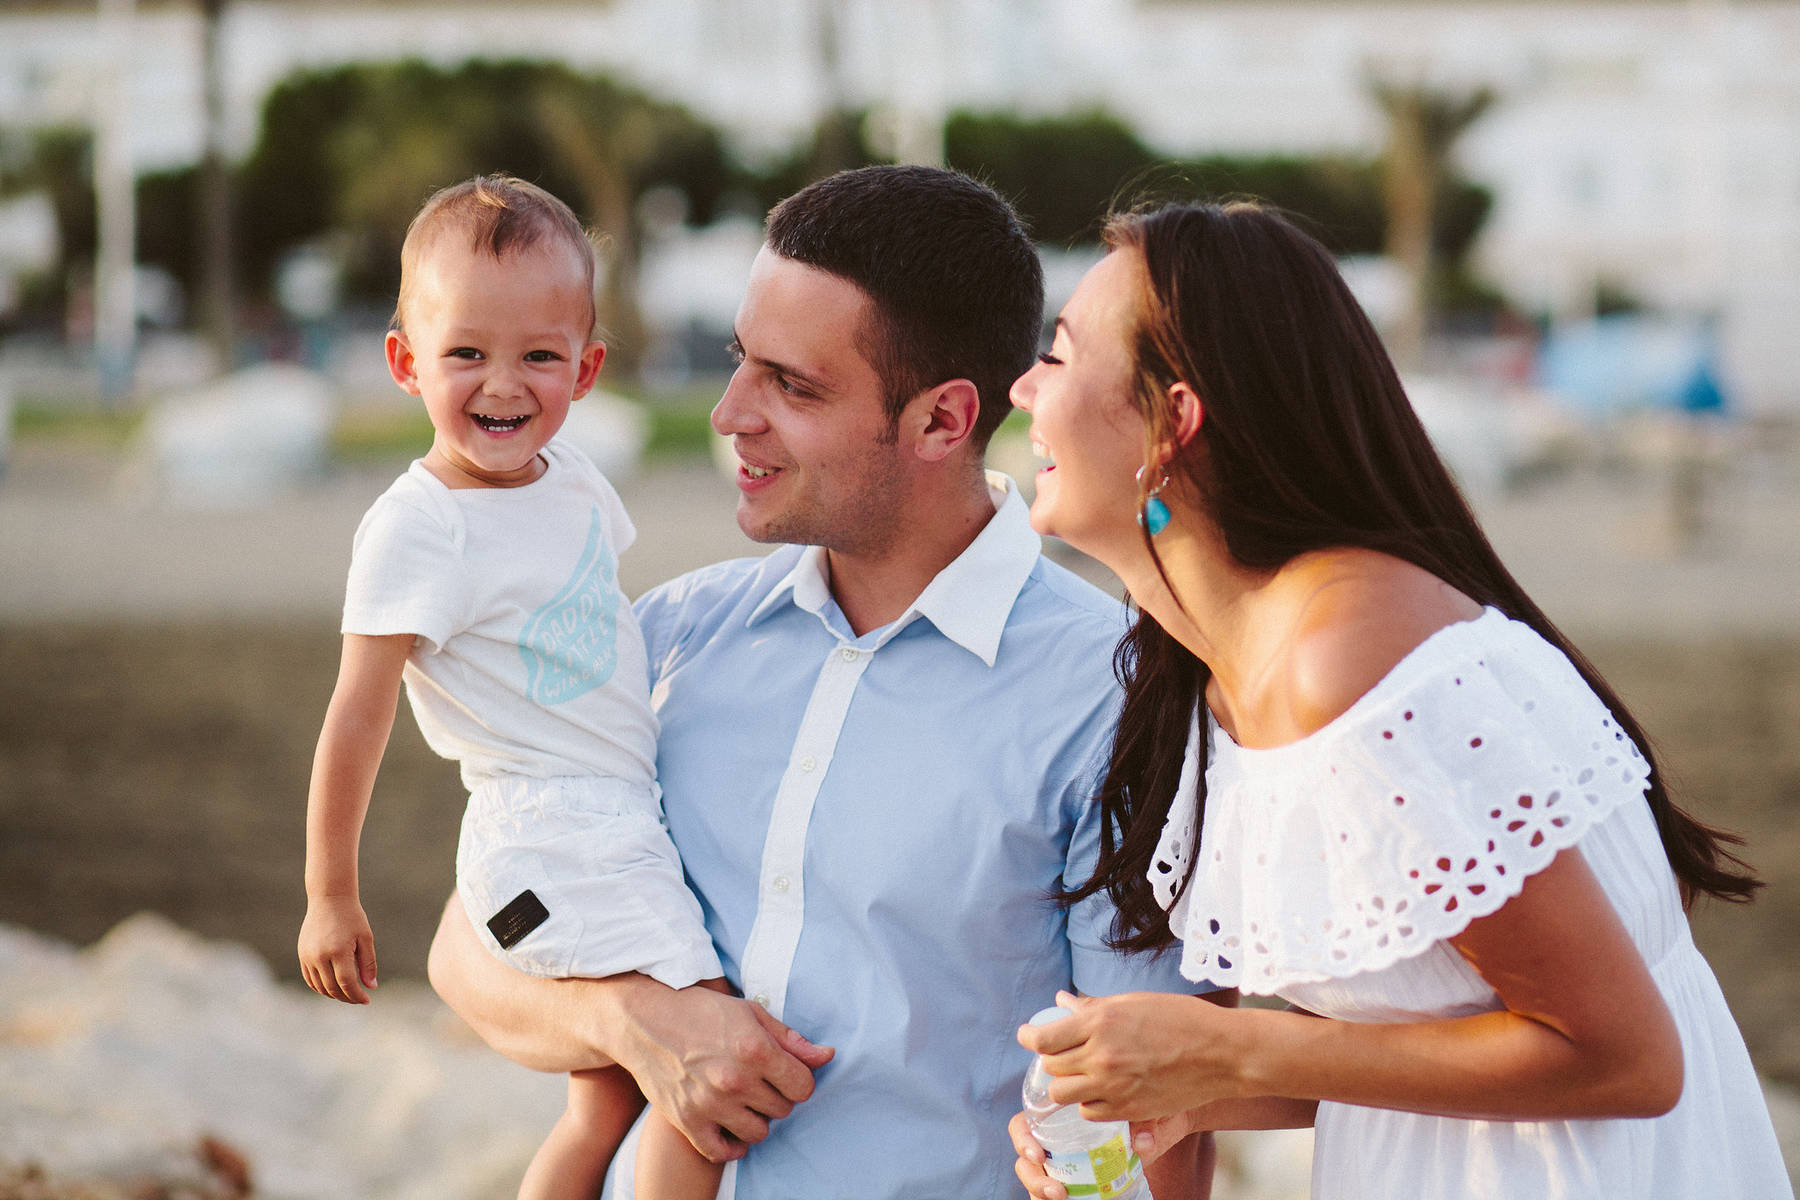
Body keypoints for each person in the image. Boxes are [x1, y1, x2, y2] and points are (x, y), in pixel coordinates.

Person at [426, 165, 1222, 1199]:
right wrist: (633, 1020)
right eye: (739, 363)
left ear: (943, 420)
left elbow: (1160, 1126)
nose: (728, 415)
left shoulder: (1118, 702)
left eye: (791, 386)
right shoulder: (667, 639)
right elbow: (468, 943)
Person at [1004, 200, 1793, 1199]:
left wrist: (1227, 1051)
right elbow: (1420, 1023)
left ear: (1174, 424)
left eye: (1063, 356)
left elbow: (1627, 1058)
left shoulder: (1350, 664)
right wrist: (1186, 1097)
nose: (1026, 386)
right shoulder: (1233, 669)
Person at [297, 175, 730, 1200]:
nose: (503, 384)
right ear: (406, 363)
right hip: (547, 829)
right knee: (706, 1062)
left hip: (618, 816)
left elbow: (599, 627)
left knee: (609, 1103)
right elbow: (356, 715)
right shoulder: (421, 526)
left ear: (586, 369)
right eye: (466, 355)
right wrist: (330, 894)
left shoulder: (574, 478)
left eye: (539, 355)